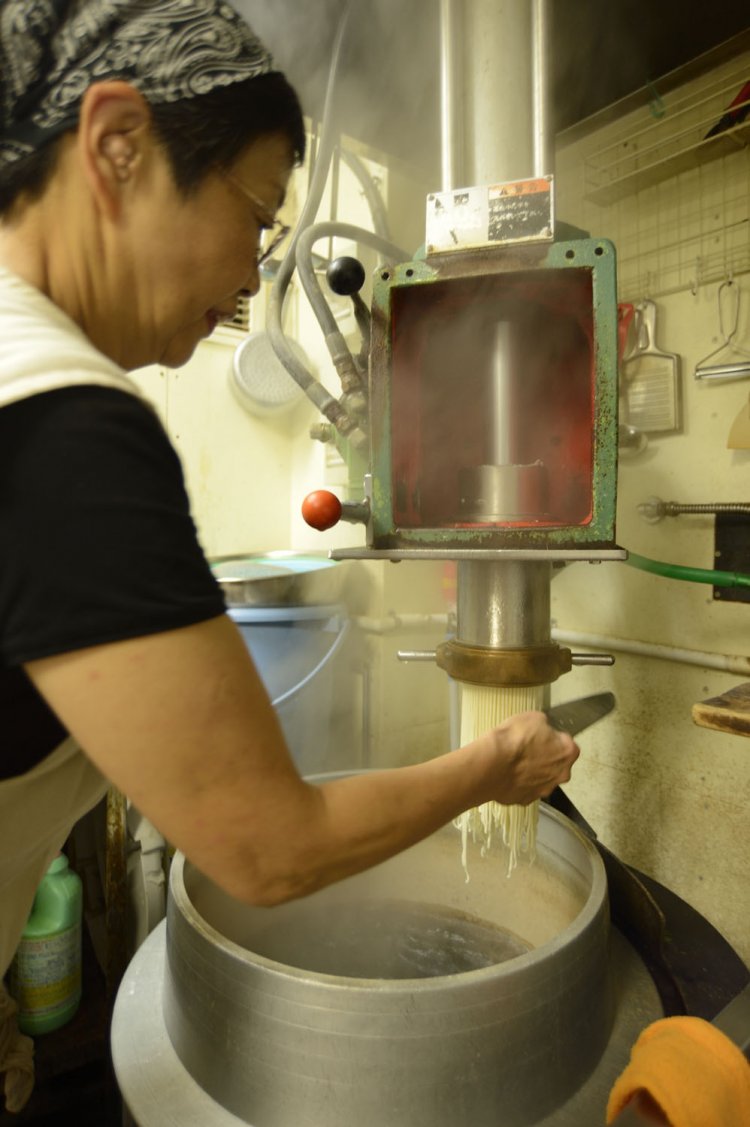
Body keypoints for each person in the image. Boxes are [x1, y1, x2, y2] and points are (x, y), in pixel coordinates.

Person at [0, 0, 579, 1109]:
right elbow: (266, 849)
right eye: (258, 216)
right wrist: (491, 768)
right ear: (118, 144)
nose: (256, 275)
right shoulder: (61, 417)